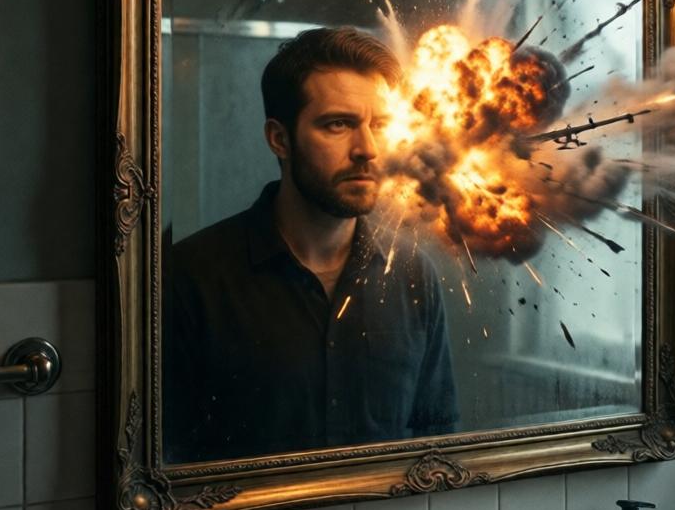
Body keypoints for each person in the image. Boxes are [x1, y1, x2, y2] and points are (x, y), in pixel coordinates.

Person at [164, 27, 458, 463]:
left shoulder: (413, 275)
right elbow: (169, 458)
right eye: (337, 124)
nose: (368, 149)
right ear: (279, 139)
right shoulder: (191, 276)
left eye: (380, 125)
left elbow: (437, 437)